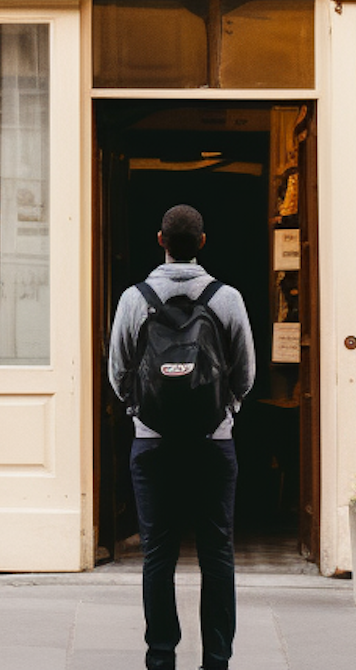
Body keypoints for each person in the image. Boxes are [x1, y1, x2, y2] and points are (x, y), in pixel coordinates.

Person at [109, 204, 255, 670]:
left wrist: (141, 413)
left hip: (152, 444)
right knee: (217, 553)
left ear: (161, 240)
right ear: (203, 243)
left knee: (158, 553)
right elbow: (246, 371)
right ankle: (216, 660)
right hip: (214, 443)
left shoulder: (135, 298)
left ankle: (160, 659)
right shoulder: (226, 297)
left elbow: (118, 371)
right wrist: (224, 412)